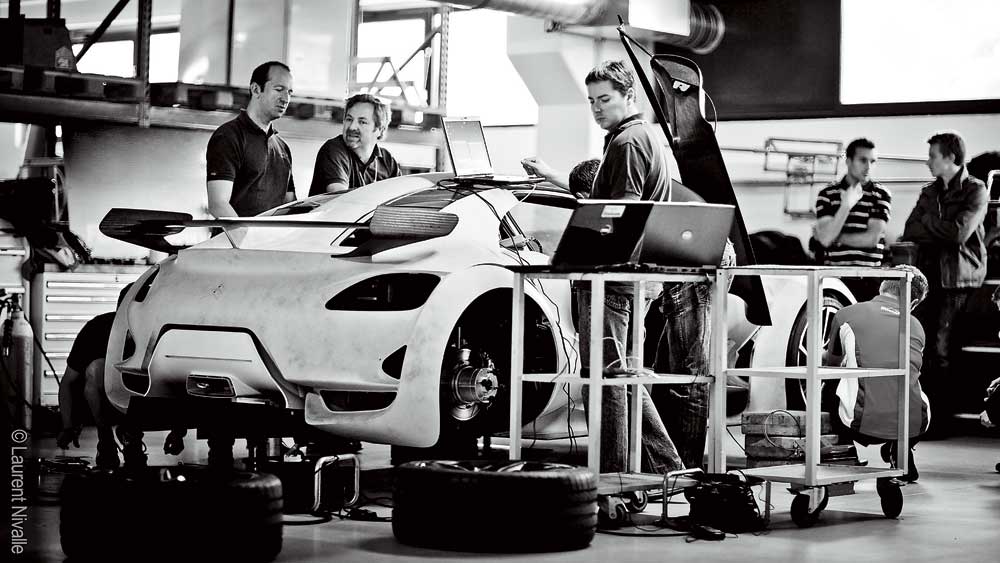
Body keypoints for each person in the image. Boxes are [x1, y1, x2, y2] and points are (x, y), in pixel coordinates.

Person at [522, 60, 682, 474]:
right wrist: (553, 177)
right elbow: (603, 197)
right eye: (591, 100)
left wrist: (572, 249)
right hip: (632, 278)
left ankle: (614, 479)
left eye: (605, 99)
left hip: (613, 279)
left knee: (606, 382)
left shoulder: (627, 142)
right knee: (622, 376)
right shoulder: (639, 136)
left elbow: (620, 212)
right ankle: (669, 469)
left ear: (629, 96)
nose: (596, 108)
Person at [901, 131, 989, 432]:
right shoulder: (930, 192)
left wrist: (928, 222)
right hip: (932, 277)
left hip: (959, 280)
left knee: (941, 348)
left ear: (950, 157)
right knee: (925, 348)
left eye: (932, 156)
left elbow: (959, 234)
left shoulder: (975, 189)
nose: (928, 162)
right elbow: (910, 229)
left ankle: (941, 421)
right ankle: (929, 419)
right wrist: (938, 227)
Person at [56, 285, 186, 469]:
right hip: (104, 403)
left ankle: (130, 436)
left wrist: (178, 431)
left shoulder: (161, 334)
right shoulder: (97, 329)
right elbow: (69, 382)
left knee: (159, 372)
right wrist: (68, 426)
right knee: (94, 369)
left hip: (146, 402)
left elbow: (177, 381)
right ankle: (106, 439)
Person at [823, 265, 932, 482]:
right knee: (906, 382)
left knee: (828, 384)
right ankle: (900, 450)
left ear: (882, 286)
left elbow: (830, 364)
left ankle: (846, 455)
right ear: (913, 303)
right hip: (913, 426)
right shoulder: (917, 326)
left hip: (860, 425)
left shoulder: (846, 314)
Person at [206, 61, 296, 218]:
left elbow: (289, 204)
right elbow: (218, 204)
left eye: (289, 92)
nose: (285, 99)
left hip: (271, 235)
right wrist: (248, 234)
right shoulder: (228, 136)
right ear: (256, 89)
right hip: (236, 235)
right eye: (279, 89)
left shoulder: (283, 148)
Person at [812, 138, 891, 299]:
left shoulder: (881, 194)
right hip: (835, 279)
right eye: (863, 160)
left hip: (870, 279)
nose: (868, 167)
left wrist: (835, 237)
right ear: (848, 161)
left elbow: (871, 239)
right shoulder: (827, 194)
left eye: (872, 161)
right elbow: (826, 239)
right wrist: (846, 205)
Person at [309, 93, 401, 195]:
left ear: (380, 129)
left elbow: (401, 198)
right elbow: (339, 196)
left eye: (362, 122)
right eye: (349, 119)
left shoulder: (387, 161)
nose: (352, 127)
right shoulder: (334, 149)